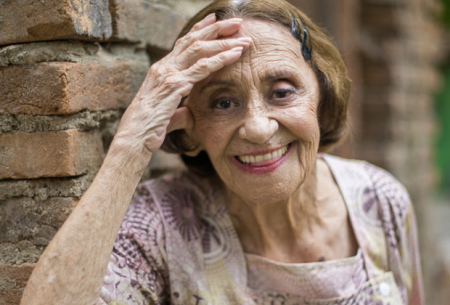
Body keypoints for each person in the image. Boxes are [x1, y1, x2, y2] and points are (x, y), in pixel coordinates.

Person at [21, 0, 424, 304]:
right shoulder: (161, 225)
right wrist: (130, 147)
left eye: (282, 92)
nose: (258, 127)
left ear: (322, 97)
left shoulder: (380, 198)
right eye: (223, 102)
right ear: (190, 127)